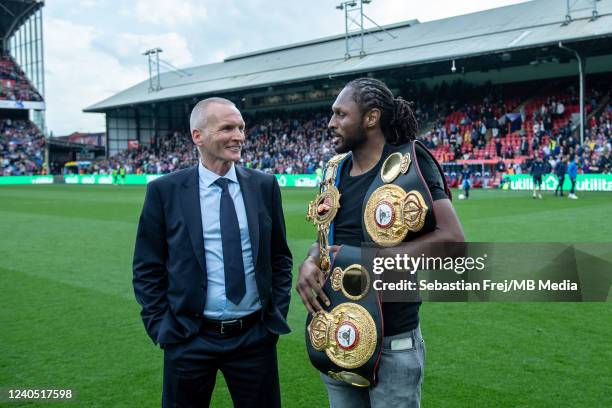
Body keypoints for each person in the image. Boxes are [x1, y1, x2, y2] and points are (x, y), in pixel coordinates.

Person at [297, 78, 465, 407]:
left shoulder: (411, 162)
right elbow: (327, 240)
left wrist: (368, 260)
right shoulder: (334, 171)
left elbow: (453, 240)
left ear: (371, 118)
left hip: (393, 341)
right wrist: (310, 259)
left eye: (341, 114)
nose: (331, 123)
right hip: (338, 332)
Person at [133, 97, 292, 408]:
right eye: (227, 128)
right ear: (198, 136)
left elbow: (280, 258)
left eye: (241, 128)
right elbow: (147, 267)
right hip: (189, 337)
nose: (239, 136)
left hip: (254, 338)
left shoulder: (264, 186)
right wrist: (161, 326)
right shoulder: (164, 191)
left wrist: (274, 316)